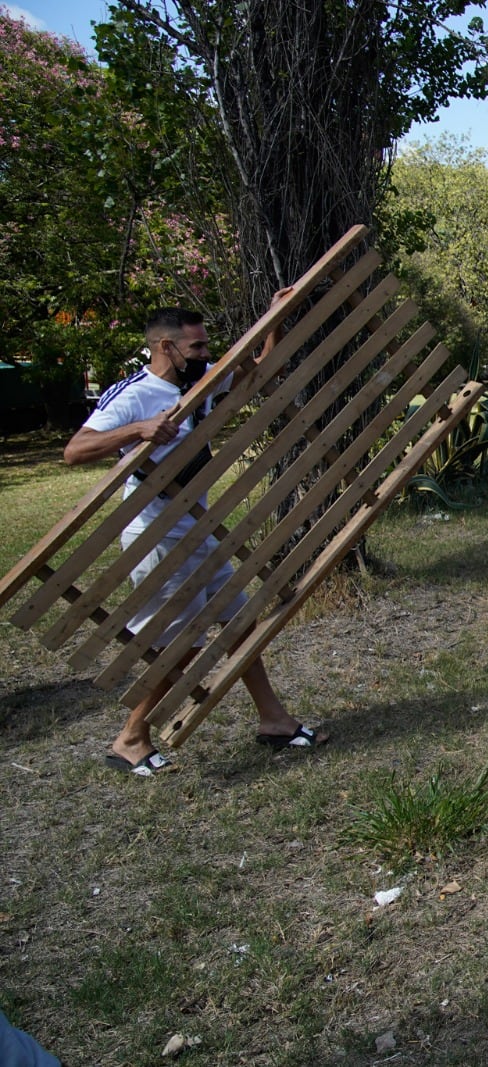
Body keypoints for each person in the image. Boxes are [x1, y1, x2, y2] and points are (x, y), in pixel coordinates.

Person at [63, 305, 323, 775]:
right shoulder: (135, 394)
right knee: (177, 643)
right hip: (156, 534)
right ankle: (130, 738)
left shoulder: (197, 385)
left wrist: (275, 317)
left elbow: (264, 370)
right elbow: (75, 450)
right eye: (197, 346)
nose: (206, 353)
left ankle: (274, 720)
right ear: (167, 347)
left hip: (199, 527)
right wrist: (137, 429)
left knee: (239, 622)